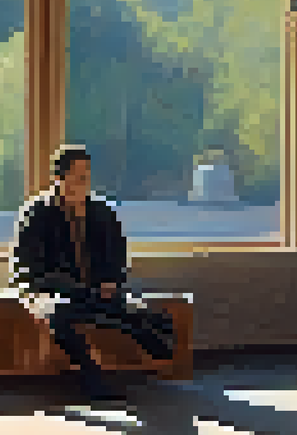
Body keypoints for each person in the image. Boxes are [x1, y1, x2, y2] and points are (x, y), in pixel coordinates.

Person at [12, 144, 177, 402]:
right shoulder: (37, 213)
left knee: (117, 300)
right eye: (79, 176)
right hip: (48, 290)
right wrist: (79, 288)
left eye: (87, 175)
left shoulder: (101, 211)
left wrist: (111, 280)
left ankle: (142, 326)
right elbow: (31, 268)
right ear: (60, 178)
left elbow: (117, 256)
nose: (85, 181)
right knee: (60, 313)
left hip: (94, 289)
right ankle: (93, 374)